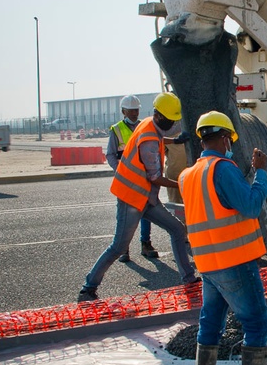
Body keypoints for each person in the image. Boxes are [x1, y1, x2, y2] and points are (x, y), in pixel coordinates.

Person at [179, 110, 267, 365]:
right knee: (256, 321)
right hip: (235, 261)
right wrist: (260, 173)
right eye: (230, 140)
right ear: (226, 137)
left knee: (210, 323)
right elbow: (252, 206)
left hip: (208, 264)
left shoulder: (188, 176)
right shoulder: (223, 169)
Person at [78, 92, 197, 301]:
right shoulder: (149, 138)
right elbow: (155, 177)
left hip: (146, 198)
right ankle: (89, 287)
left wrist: (175, 140)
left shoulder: (150, 124)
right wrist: (181, 182)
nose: (171, 123)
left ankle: (189, 278)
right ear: (160, 116)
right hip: (131, 198)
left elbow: (160, 137)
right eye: (170, 121)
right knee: (118, 247)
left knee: (177, 229)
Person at [106, 95, 159, 263]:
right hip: (127, 180)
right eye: (131, 110)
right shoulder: (116, 129)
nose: (135, 113)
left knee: (145, 212)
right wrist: (121, 172)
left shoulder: (145, 126)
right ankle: (124, 249)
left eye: (136, 110)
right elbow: (110, 155)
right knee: (124, 215)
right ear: (123, 111)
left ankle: (146, 244)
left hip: (144, 178)